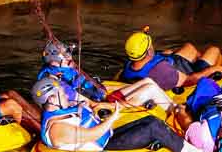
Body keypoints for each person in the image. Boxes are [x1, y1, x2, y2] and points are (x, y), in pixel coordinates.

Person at [33, 73, 222, 152]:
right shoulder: (57, 129)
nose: (65, 95)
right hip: (105, 146)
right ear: (51, 99)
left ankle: (190, 149)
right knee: (153, 127)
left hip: (107, 137)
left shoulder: (58, 111)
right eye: (61, 93)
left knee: (150, 120)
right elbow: (94, 134)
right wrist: (113, 117)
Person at [36, 40, 176, 112]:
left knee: (149, 81)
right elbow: (87, 104)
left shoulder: (64, 70)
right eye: (67, 57)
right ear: (54, 61)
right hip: (100, 107)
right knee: (149, 90)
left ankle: (175, 108)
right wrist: (106, 105)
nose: (71, 58)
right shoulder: (57, 83)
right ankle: (176, 113)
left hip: (102, 98)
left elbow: (89, 87)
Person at [117, 28, 222, 91]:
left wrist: (163, 55)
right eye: (150, 45)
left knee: (189, 47)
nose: (152, 46)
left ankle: (200, 58)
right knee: (214, 50)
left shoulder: (130, 62)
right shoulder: (161, 71)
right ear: (148, 51)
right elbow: (188, 80)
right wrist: (211, 70)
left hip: (171, 63)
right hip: (184, 73)